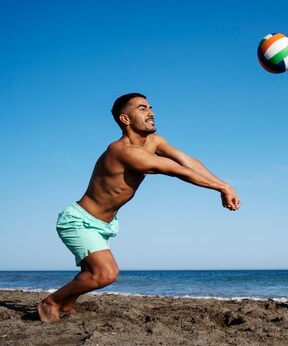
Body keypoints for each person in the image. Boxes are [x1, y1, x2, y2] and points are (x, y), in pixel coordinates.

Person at [37, 93, 241, 323]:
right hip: (80, 222)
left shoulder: (155, 141)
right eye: (142, 108)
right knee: (106, 273)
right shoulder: (122, 150)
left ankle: (66, 302)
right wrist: (220, 188)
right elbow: (175, 169)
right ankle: (51, 302)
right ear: (125, 119)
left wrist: (225, 185)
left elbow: (187, 161)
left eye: (151, 107)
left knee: (91, 273)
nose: (151, 112)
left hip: (104, 224)